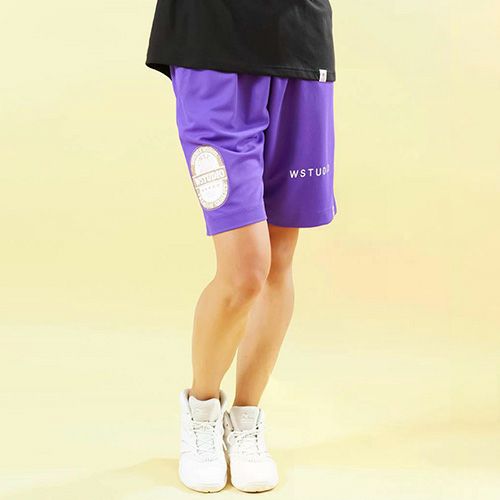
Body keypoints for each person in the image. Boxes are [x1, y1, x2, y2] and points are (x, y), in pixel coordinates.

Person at [145, 0, 336, 493]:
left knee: (278, 261)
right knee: (246, 268)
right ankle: (202, 411)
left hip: (298, 42)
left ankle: (246, 421)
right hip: (212, 44)